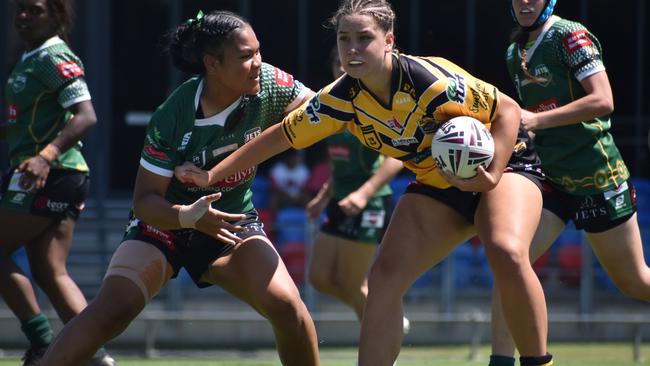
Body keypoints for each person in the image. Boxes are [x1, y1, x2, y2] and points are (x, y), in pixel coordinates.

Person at [174, 1, 553, 365]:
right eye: (344, 39)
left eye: (364, 38)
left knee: (505, 251)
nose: (352, 49)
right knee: (384, 279)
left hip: (506, 167)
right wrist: (212, 174)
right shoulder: (341, 98)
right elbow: (280, 137)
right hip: (438, 185)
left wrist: (489, 175)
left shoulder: (430, 83)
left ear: (389, 40)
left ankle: (538, 363)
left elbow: (505, 109)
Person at [39, 10, 320, 366]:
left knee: (288, 307)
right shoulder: (173, 115)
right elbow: (144, 202)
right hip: (164, 224)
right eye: (245, 56)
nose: (257, 64)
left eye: (258, 52)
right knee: (112, 310)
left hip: (230, 224)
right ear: (212, 64)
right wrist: (188, 216)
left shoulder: (270, 84)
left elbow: (321, 112)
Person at [489, 1, 650, 366]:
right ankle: (501, 361)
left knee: (635, 281)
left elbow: (603, 99)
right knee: (510, 261)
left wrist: (535, 122)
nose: (525, 2)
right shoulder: (515, 51)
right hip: (550, 179)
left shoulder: (569, 35)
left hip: (596, 176)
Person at [1, 0, 115, 365]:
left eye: (34, 10)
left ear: (57, 16)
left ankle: (41, 343)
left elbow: (86, 116)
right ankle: (97, 358)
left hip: (53, 172)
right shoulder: (30, 56)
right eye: (20, 8)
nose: (23, 15)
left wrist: (45, 156)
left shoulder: (54, 57)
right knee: (50, 271)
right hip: (55, 174)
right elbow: (31, 123)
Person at [305, 47, 407, 332]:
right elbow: (340, 164)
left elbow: (397, 158)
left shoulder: (373, 103)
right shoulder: (330, 105)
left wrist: (363, 194)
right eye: (338, 62)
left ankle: (382, 344)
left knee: (353, 284)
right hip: (338, 201)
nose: (343, 67)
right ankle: (385, 317)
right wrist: (322, 197)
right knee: (319, 277)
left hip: (369, 203)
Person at [268, 149, 311, 216]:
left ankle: (308, 221)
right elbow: (274, 187)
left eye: (297, 158)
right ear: (288, 158)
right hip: (282, 195)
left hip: (298, 195)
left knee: (307, 197)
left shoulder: (303, 169)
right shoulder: (278, 169)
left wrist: (296, 195)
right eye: (293, 158)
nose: (296, 160)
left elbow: (305, 187)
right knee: (274, 198)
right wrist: (287, 194)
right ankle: (273, 222)